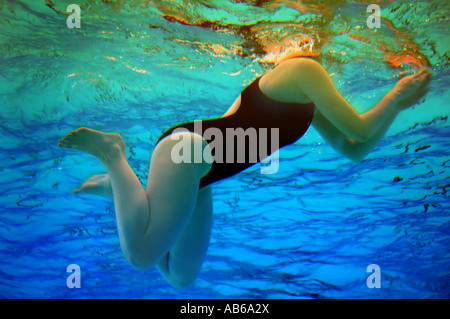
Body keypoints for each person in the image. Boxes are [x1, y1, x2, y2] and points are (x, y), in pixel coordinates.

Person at [58, 56, 431, 288]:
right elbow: (362, 128)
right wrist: (395, 96)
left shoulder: (309, 105)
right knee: (140, 255)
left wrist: (396, 107)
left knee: (180, 277)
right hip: (187, 150)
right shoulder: (304, 69)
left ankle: (123, 192)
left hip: (202, 175)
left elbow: (354, 149)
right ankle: (113, 154)